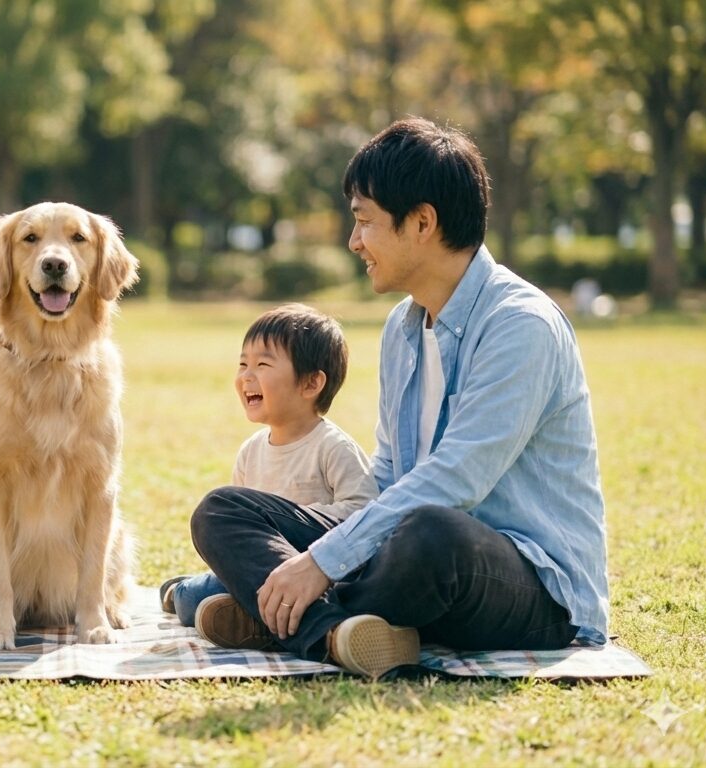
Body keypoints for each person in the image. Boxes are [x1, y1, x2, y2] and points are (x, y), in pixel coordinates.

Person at [191, 118, 609, 679]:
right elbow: (387, 477)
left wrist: (320, 562)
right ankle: (333, 632)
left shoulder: (520, 325)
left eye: (364, 221)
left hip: (529, 585)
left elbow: (459, 479)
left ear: (421, 223)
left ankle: (275, 613)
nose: (354, 240)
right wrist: (327, 546)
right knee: (224, 510)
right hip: (410, 558)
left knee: (431, 533)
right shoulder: (403, 328)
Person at [159, 303, 377, 649]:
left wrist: (298, 524)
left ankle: (249, 612)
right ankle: (185, 591)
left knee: (209, 595)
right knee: (194, 599)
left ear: (310, 383)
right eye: (243, 364)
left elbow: (364, 514)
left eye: (262, 364)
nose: (246, 376)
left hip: (319, 572)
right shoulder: (251, 451)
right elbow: (237, 536)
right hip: (265, 572)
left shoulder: (333, 447)